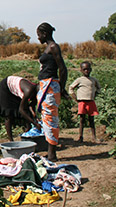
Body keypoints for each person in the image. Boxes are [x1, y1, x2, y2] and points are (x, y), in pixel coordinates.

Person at [36, 22, 69, 161]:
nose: (38, 38)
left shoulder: (53, 47)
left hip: (50, 86)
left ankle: (52, 154)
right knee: (47, 118)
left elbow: (62, 68)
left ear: (44, 34)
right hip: (46, 86)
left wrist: (61, 87)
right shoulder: (48, 48)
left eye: (39, 35)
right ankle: (51, 153)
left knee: (51, 119)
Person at [0, 76, 40, 141]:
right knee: (8, 114)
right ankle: (11, 140)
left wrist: (35, 117)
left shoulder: (37, 92)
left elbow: (31, 106)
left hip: (15, 90)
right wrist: (35, 123)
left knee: (28, 113)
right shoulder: (29, 90)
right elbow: (21, 110)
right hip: (6, 87)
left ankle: (28, 135)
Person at [68, 61, 101, 143]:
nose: (87, 71)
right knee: (82, 120)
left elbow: (99, 88)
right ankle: (80, 137)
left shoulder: (93, 80)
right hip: (82, 102)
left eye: (88, 69)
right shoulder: (80, 80)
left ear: (91, 70)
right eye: (84, 69)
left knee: (91, 120)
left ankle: (94, 137)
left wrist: (94, 95)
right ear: (81, 70)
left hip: (91, 101)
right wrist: (75, 98)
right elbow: (71, 88)